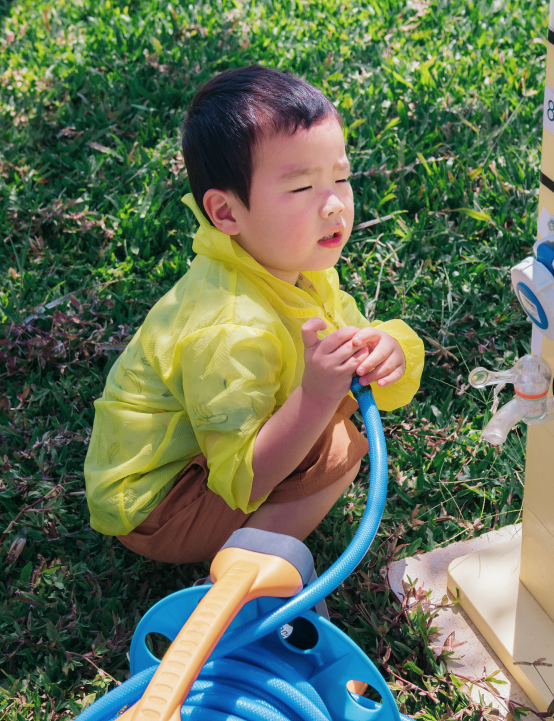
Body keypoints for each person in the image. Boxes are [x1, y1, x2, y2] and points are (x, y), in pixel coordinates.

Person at [84, 66, 424, 564]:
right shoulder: (230, 327)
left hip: (195, 466)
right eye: (301, 188)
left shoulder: (293, 266)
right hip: (159, 507)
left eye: (341, 177)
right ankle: (247, 577)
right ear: (226, 213)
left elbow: (358, 343)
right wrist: (314, 396)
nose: (333, 204)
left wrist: (386, 347)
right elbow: (243, 476)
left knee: (336, 411)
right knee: (338, 449)